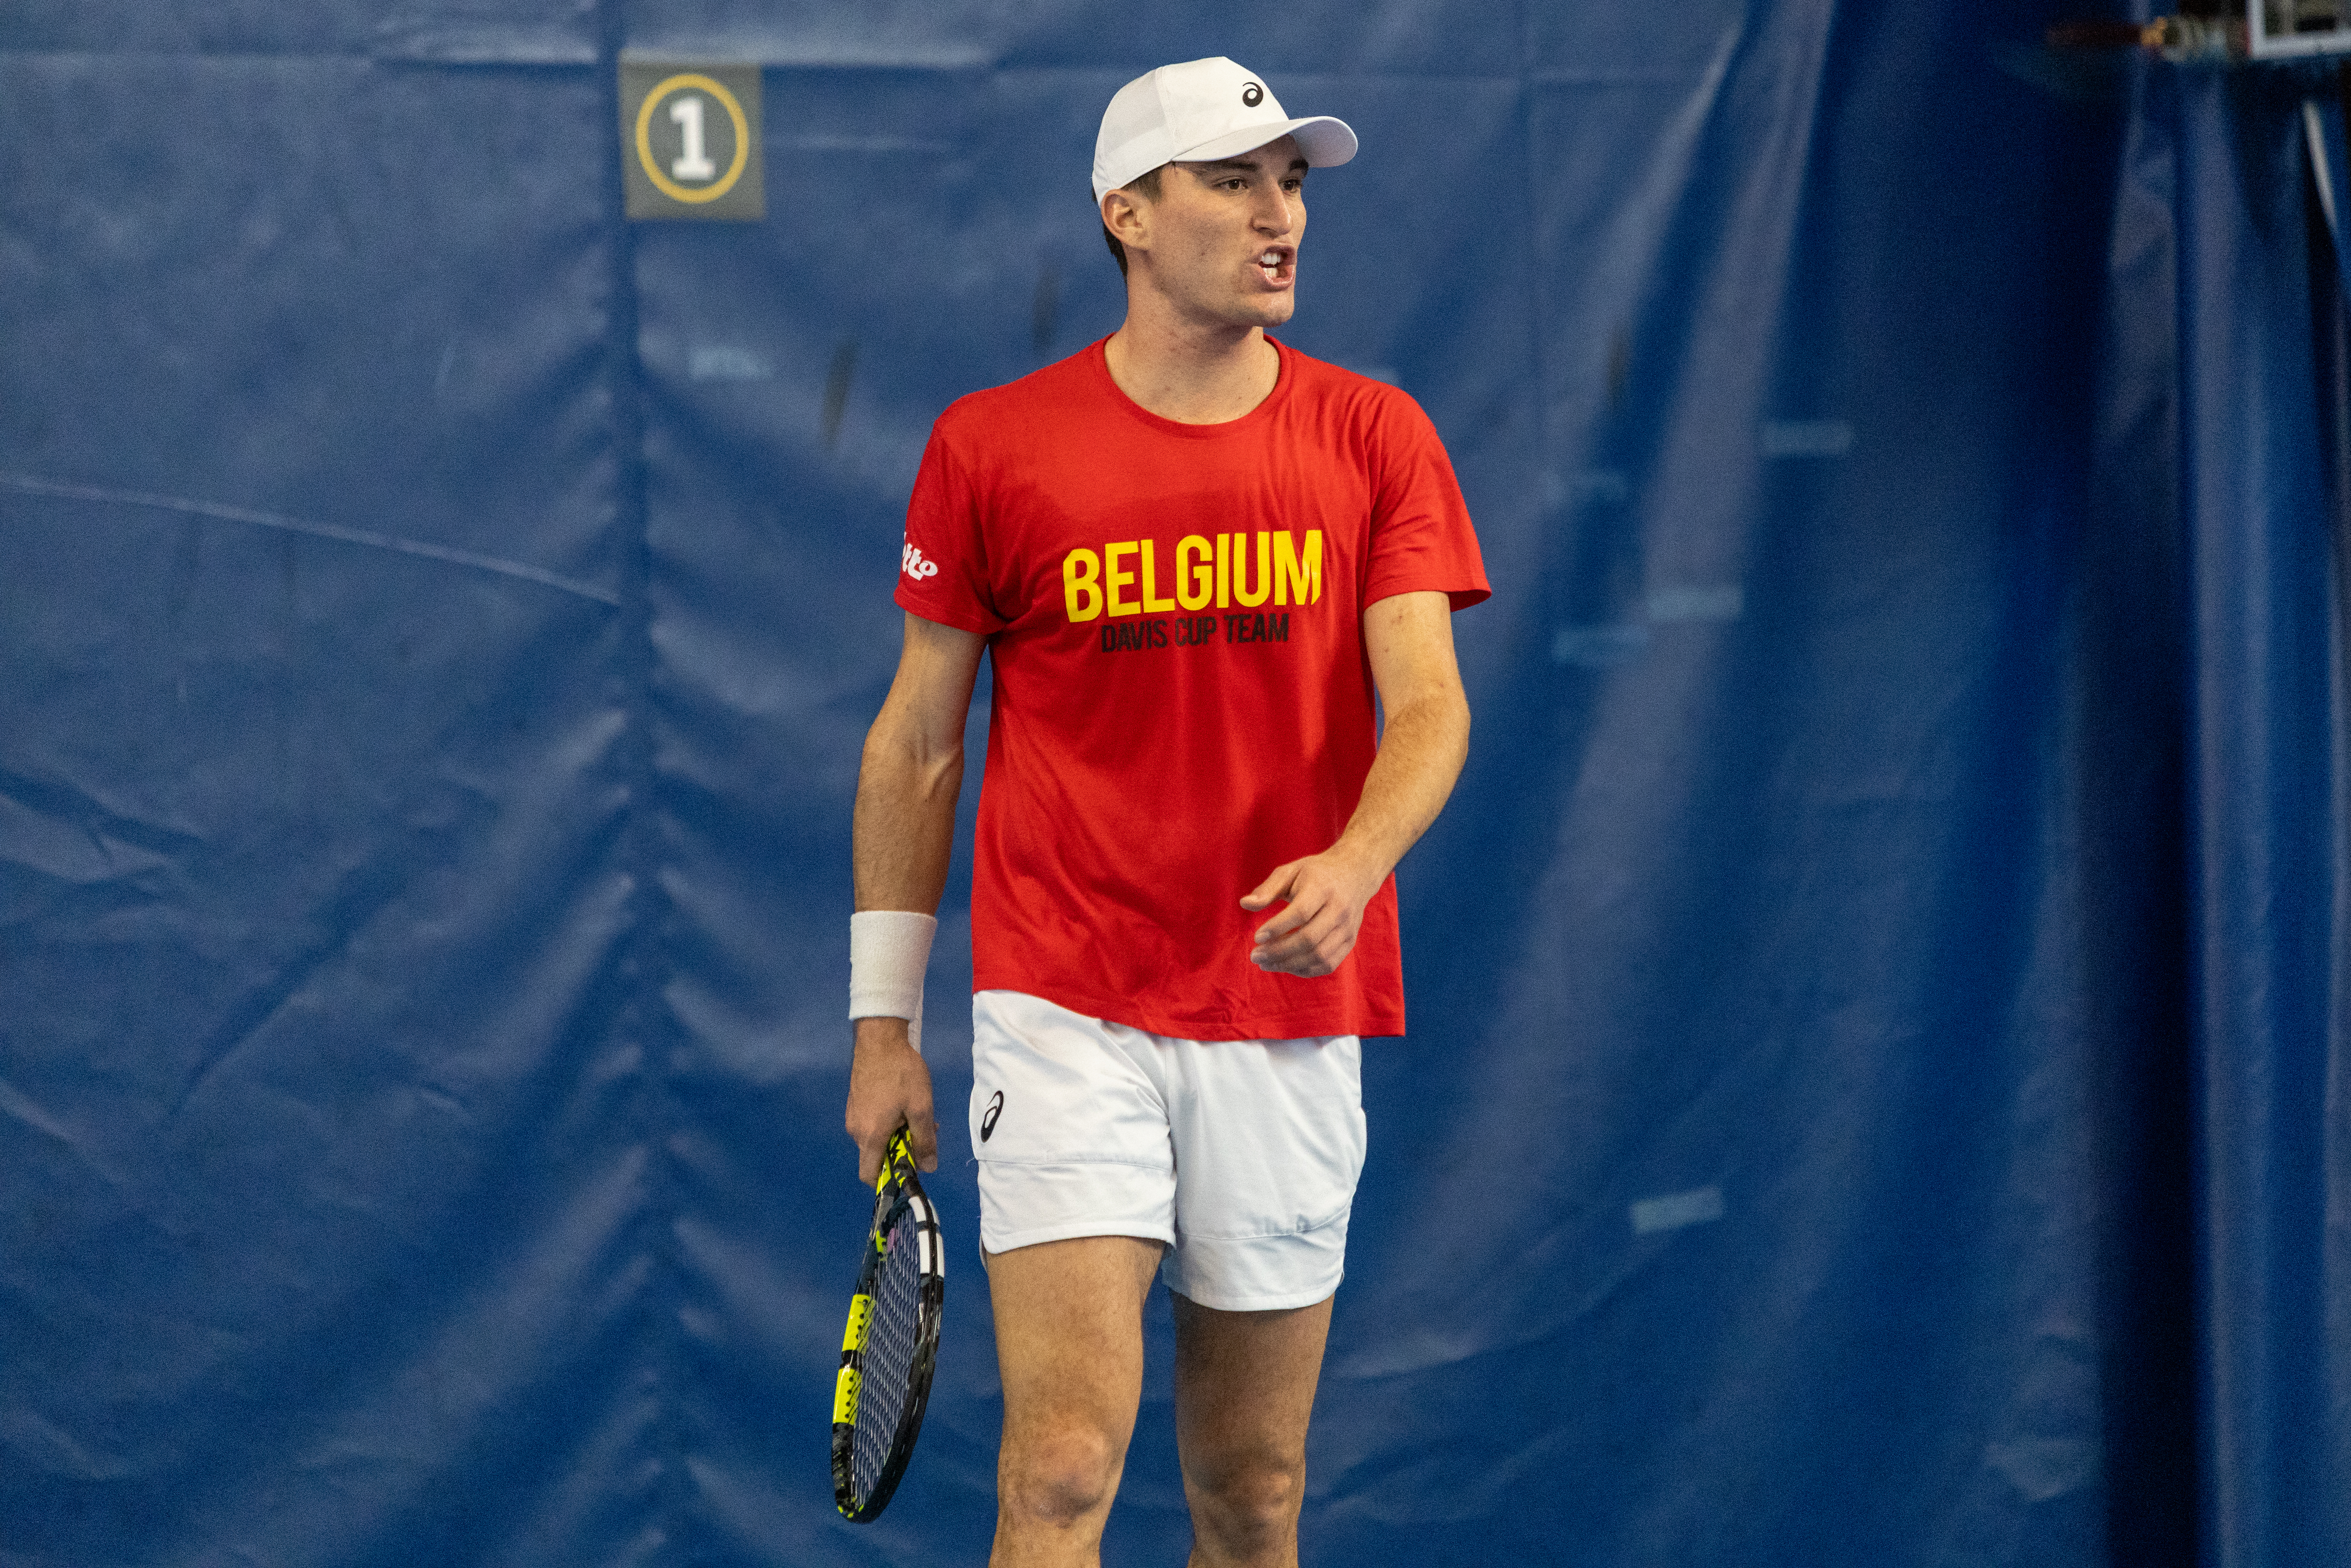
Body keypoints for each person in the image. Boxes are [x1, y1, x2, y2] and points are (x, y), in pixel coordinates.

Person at [843, 55, 1489, 1568]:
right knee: (1060, 1468)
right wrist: (884, 1021)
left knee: (1251, 1494)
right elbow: (918, 741)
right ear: (1126, 213)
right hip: (1065, 1007)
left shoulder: (1375, 436)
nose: (1279, 217)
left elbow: (1430, 706)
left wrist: (1356, 852)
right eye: (1234, 179)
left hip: (1285, 1011)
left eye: (1293, 184)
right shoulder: (991, 448)